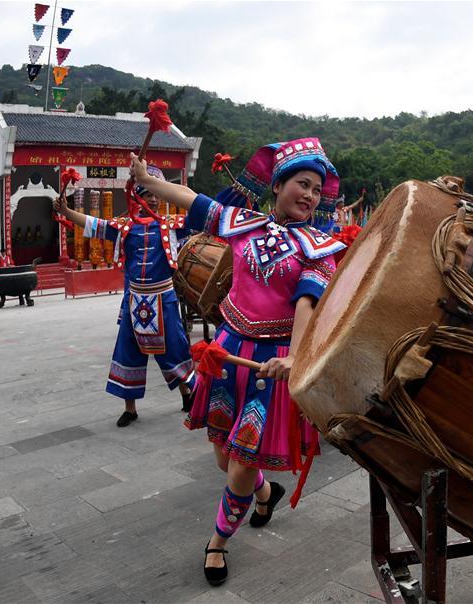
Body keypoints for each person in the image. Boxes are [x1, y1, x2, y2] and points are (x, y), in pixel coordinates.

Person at [130, 137, 345, 587]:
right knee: (222, 456)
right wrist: (151, 182)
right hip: (226, 355)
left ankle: (218, 542)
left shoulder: (319, 245)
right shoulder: (242, 224)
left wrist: (297, 357)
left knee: (243, 459)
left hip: (270, 367)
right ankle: (265, 494)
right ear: (277, 184)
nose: (308, 195)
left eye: (315, 190)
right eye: (301, 184)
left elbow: (307, 302)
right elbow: (195, 201)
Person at [54, 165, 196, 427]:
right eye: (146, 193)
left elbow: (205, 215)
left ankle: (188, 395)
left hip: (163, 298)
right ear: (136, 196)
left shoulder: (172, 226)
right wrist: (66, 211)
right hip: (135, 301)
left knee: (175, 349)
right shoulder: (124, 227)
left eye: (155, 194)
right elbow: (94, 224)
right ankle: (130, 409)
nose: (152, 199)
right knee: (128, 351)